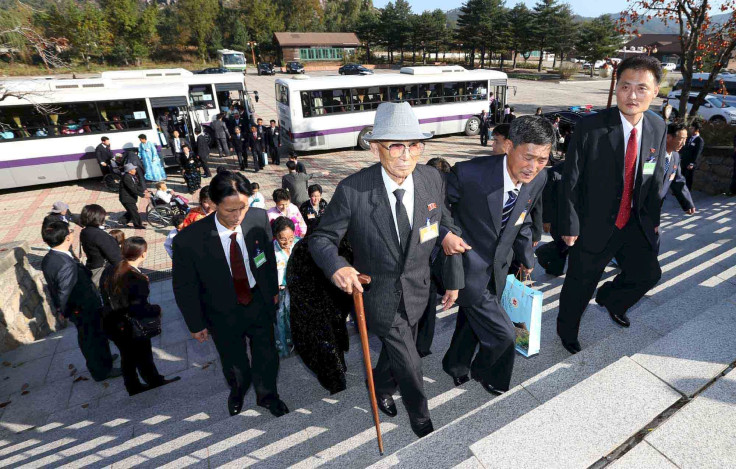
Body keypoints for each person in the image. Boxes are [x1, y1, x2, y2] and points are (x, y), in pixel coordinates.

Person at [309, 102, 464, 439]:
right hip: (378, 296)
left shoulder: (432, 178)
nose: (406, 155)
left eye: (414, 145)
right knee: (411, 362)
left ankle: (378, 386)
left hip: (420, 290)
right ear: (375, 147)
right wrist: (338, 266)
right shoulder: (353, 190)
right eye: (396, 145)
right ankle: (421, 418)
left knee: (396, 354)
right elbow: (321, 238)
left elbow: (441, 222)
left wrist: (450, 243)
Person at [557, 56, 667, 354]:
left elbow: (654, 175)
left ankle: (611, 298)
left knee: (648, 274)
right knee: (580, 283)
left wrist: (653, 220)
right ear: (616, 87)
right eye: (625, 86)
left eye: (641, 88)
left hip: (635, 221)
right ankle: (567, 332)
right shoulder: (591, 127)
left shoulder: (658, 126)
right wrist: (569, 224)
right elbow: (571, 179)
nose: (632, 95)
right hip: (594, 222)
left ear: (656, 91)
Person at [441, 116, 551, 395]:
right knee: (503, 334)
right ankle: (489, 376)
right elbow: (435, 207)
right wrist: (446, 233)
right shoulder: (470, 173)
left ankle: (455, 365)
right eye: (528, 157)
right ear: (510, 146)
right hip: (468, 266)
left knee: (470, 322)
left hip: (500, 267)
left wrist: (527, 258)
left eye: (543, 159)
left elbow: (522, 218)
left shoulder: (539, 178)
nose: (534, 167)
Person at [172, 170, 289, 418]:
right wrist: (195, 323)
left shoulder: (258, 218)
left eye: (242, 208)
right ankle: (237, 390)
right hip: (221, 310)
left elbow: (265, 258)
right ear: (213, 204)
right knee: (233, 360)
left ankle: (268, 395)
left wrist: (271, 291)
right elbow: (185, 286)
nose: (237, 217)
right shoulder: (189, 240)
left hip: (258, 300)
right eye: (229, 211)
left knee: (266, 353)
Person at [41, 221, 120, 382]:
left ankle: (103, 358)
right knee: (92, 338)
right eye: (70, 231)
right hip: (83, 308)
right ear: (67, 237)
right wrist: (64, 311)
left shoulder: (50, 258)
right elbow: (64, 292)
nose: (72, 233)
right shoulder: (65, 264)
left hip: (81, 307)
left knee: (96, 334)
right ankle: (102, 371)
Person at [101, 237, 180, 396]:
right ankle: (154, 381)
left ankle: (133, 386)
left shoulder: (110, 269)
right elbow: (138, 308)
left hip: (112, 322)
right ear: (143, 254)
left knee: (127, 356)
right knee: (144, 355)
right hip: (130, 325)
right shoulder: (136, 279)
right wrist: (156, 309)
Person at [288, 236, 353, 394]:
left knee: (336, 336)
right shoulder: (302, 249)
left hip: (335, 301)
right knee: (325, 346)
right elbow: (296, 283)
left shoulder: (344, 242)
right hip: (312, 307)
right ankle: (337, 383)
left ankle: (338, 372)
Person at [415, 157, 452, 358]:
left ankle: (422, 346)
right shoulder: (416, 193)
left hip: (438, 259)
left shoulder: (449, 196)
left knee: (429, 305)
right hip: (419, 258)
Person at [535, 161, 568, 276]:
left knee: (566, 246)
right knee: (562, 245)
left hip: (574, 216)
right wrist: (546, 220)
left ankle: (555, 269)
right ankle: (543, 252)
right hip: (557, 217)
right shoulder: (554, 172)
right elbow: (546, 199)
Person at [273, 216, 299, 357]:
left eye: (290, 237)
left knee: (295, 317)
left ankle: (297, 344)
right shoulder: (270, 250)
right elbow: (261, 269)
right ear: (276, 236)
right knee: (280, 319)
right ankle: (282, 348)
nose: (288, 242)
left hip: (296, 289)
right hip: (280, 291)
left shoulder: (299, 244)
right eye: (283, 238)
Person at [79, 204, 123, 286]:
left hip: (92, 266)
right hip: (102, 271)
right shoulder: (99, 235)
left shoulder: (84, 231)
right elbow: (116, 258)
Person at [660, 121, 696, 216]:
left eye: (686, 139)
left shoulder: (675, 156)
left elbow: (677, 180)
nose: (684, 144)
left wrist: (687, 203)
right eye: (681, 139)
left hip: (657, 206)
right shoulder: (653, 154)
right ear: (668, 137)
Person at [118, 164, 147, 229]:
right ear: (129, 171)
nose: (135, 170)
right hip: (126, 198)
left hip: (129, 197)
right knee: (134, 212)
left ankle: (121, 222)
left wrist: (143, 190)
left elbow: (136, 186)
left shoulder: (131, 176)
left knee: (132, 210)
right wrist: (143, 195)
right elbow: (132, 189)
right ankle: (138, 225)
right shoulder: (126, 177)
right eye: (133, 169)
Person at [680, 121, 704, 190]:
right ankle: (680, 191)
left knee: (688, 178)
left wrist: (692, 163)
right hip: (684, 161)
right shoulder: (689, 138)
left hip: (690, 163)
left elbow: (697, 153)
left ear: (697, 130)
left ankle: (687, 192)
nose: (690, 129)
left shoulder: (699, 140)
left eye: (692, 128)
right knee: (681, 176)